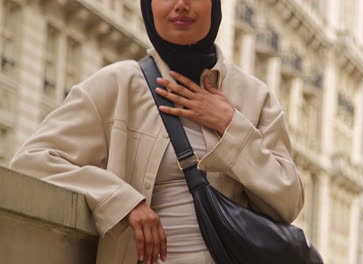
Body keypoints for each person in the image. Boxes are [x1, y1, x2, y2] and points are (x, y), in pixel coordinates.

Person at [9, 0, 304, 263]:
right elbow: (32, 160)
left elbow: (287, 204)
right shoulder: (118, 84)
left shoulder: (254, 96)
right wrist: (122, 201)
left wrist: (230, 125)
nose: (181, 4)